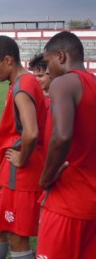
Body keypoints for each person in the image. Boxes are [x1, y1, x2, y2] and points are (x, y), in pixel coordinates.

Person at [0, 36, 47, 259]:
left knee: (17, 236)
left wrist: (22, 159)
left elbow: (31, 132)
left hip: (21, 174)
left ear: (8, 60)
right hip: (12, 174)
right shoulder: (21, 83)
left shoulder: (23, 85)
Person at [37, 31, 96, 259]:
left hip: (67, 201)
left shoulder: (63, 83)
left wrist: (45, 177)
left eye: (48, 61)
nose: (47, 69)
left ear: (60, 56)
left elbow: (62, 136)